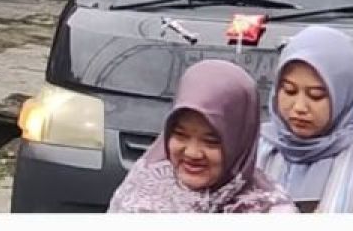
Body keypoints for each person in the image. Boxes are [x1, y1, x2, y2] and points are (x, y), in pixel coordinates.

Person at [258, 26, 353, 213]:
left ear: (343, 94)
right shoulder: (260, 148)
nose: (299, 107)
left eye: (316, 96)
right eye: (289, 91)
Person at [109, 60, 294, 213]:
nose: (192, 153)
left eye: (211, 141)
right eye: (180, 135)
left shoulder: (268, 210)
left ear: (239, 143)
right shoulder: (144, 188)